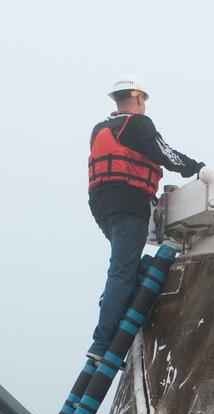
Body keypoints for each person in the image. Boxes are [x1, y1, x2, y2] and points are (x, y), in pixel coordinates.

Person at [87, 75, 203, 361]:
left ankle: (113, 303)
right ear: (139, 99)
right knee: (121, 272)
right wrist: (197, 168)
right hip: (129, 204)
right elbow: (165, 154)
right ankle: (102, 343)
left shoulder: (101, 128)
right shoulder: (138, 124)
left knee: (122, 266)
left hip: (102, 206)